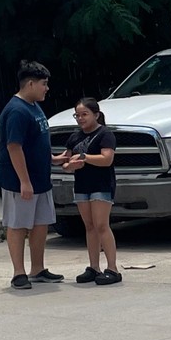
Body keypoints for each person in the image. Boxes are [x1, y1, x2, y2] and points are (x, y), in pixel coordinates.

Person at [0, 61, 63, 290]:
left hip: (40, 178)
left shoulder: (34, 106)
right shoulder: (17, 111)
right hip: (19, 181)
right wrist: (24, 181)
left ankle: (38, 268)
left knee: (40, 223)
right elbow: (14, 147)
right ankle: (18, 273)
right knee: (18, 224)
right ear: (31, 83)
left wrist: (54, 160)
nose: (47, 89)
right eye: (44, 84)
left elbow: (36, 143)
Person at [58, 98, 121, 286]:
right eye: (77, 115)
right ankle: (94, 267)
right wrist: (71, 165)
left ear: (96, 114)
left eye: (84, 114)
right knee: (89, 226)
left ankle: (113, 268)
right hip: (82, 185)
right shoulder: (74, 137)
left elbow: (106, 159)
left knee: (102, 224)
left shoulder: (105, 134)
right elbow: (67, 162)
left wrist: (85, 157)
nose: (80, 118)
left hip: (101, 185)